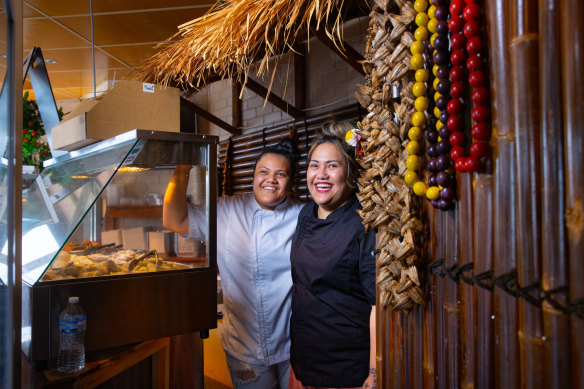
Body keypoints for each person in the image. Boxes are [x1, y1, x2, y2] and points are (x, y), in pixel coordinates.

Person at [163, 138, 303, 389]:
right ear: (253, 176)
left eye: (280, 174)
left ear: (290, 182)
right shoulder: (226, 209)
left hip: (293, 344)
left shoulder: (303, 214)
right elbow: (174, 219)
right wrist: (182, 168)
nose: (270, 179)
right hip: (244, 348)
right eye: (264, 171)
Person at [288, 121, 377, 389]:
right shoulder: (306, 213)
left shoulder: (364, 221)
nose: (321, 174)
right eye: (314, 165)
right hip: (305, 360)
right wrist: (297, 365)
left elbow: (378, 306)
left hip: (346, 368)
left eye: (332, 166)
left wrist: (373, 374)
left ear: (351, 173)